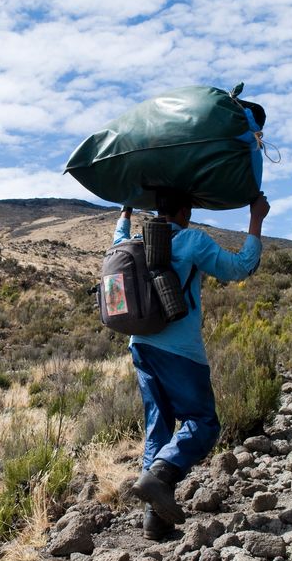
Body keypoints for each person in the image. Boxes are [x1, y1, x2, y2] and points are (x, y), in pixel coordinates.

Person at [115, 189, 270, 540]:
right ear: (185, 210)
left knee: (159, 427)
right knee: (203, 422)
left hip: (140, 345)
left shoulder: (135, 239)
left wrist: (125, 210)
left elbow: (117, 239)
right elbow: (241, 267)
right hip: (180, 350)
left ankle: (155, 521)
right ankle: (160, 477)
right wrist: (256, 217)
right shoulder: (191, 241)